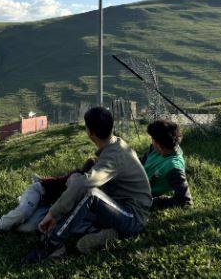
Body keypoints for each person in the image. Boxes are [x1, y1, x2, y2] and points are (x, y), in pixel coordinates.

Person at [23, 106, 152, 264]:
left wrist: (53, 214)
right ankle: (109, 233)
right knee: (77, 181)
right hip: (119, 204)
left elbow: (85, 185)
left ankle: (54, 244)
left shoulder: (114, 156)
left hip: (133, 216)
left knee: (89, 193)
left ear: (89, 132)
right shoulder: (116, 145)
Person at [0, 158, 97, 242]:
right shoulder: (77, 178)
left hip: (47, 209)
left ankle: (9, 221)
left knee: (29, 227)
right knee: (24, 212)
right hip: (39, 192)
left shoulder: (92, 194)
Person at [141, 120, 192, 209]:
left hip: (139, 195)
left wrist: (155, 202)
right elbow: (140, 162)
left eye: (152, 138)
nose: (151, 141)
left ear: (158, 143)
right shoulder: (157, 149)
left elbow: (185, 201)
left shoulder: (174, 167)